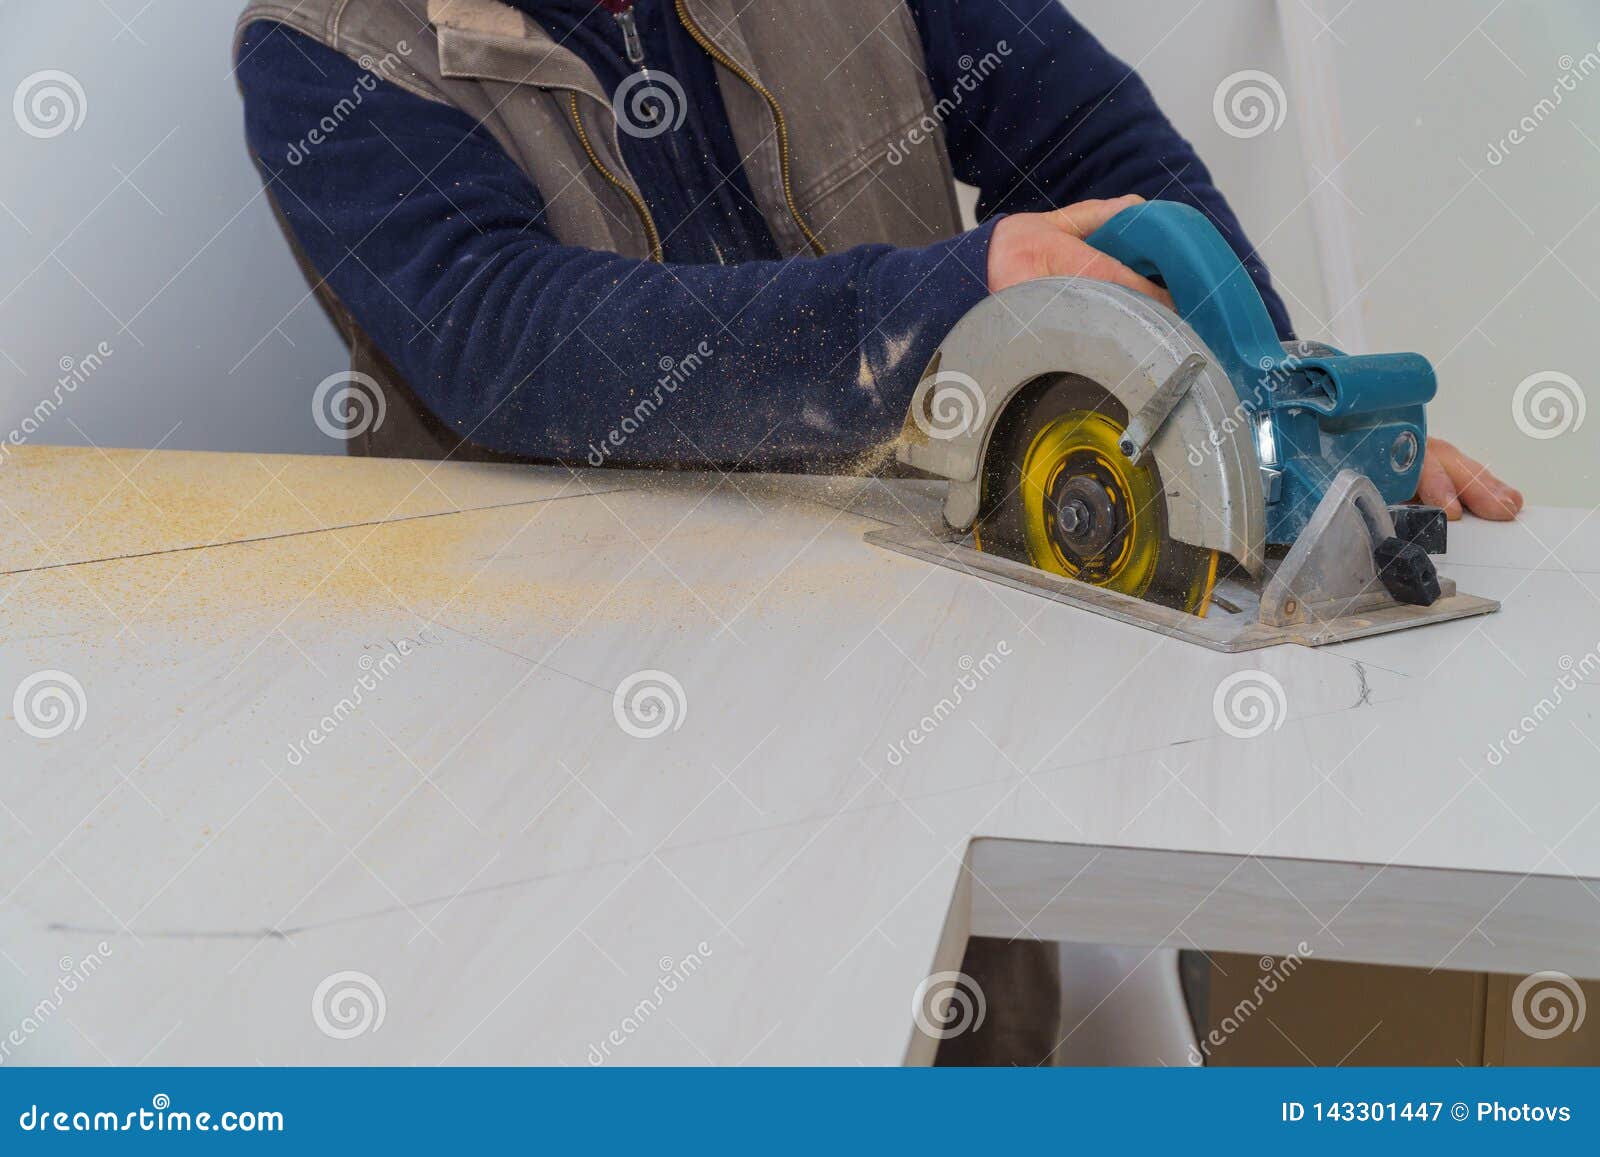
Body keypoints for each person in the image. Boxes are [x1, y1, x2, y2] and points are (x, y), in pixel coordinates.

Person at [234, 0, 1520, 1062]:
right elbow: (504, 337)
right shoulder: (327, 47)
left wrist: (1269, 427)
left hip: (912, 664)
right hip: (564, 708)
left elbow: (1089, 140)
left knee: (962, 1034)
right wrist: (937, 304)